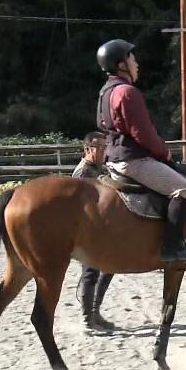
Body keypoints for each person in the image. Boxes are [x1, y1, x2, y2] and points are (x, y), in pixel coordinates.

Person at [95, 39, 186, 263]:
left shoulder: (105, 92)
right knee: (184, 189)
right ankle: (172, 247)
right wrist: (165, 153)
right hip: (132, 160)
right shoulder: (127, 92)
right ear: (121, 64)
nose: (136, 63)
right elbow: (143, 133)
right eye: (132, 58)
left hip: (113, 158)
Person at [72, 132, 116, 331]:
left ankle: (95, 311)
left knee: (109, 268)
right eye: (99, 147)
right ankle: (87, 317)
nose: (103, 151)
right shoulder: (82, 174)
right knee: (90, 272)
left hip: (102, 229)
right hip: (87, 230)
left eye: (104, 147)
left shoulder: (100, 168)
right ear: (87, 149)